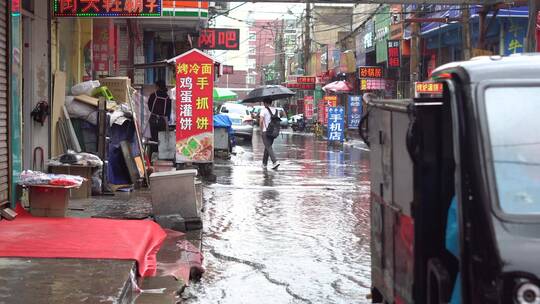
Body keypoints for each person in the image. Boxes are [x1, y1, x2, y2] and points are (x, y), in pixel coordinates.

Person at [148, 79, 172, 156]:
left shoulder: (153, 95)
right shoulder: (167, 98)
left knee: (153, 139)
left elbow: (150, 107)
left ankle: (152, 156)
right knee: (162, 139)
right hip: (162, 121)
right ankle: (161, 156)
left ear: (157, 86)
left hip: (153, 119)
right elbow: (168, 112)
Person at [260, 98, 280, 170]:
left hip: (266, 131)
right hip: (274, 132)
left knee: (268, 147)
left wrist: (261, 130)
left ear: (265, 103)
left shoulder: (263, 110)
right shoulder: (276, 110)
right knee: (267, 147)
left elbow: (261, 120)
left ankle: (275, 162)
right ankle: (264, 163)